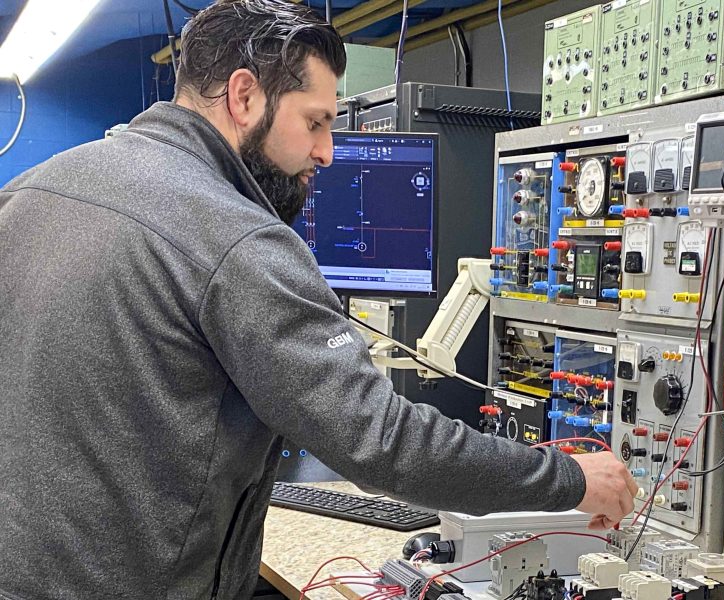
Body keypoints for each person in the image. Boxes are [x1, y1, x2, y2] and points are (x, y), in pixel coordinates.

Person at [0, 1, 637, 598]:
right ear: (244, 96)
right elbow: (383, 442)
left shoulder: (27, 192)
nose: (327, 152)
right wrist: (570, 480)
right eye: (315, 122)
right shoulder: (235, 239)